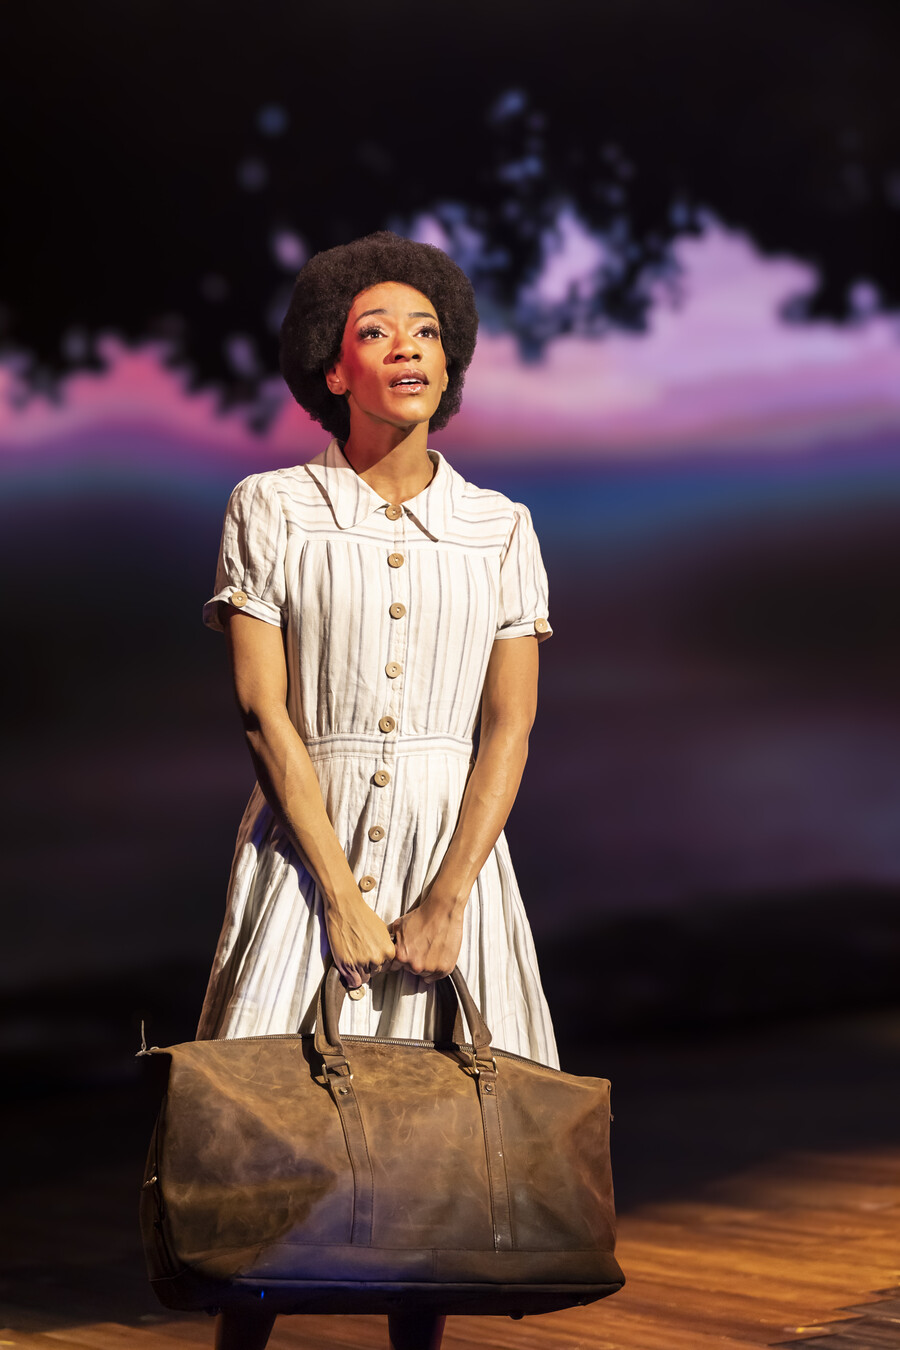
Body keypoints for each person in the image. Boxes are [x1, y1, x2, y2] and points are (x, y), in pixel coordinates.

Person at [199, 231, 558, 1350]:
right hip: (306, 855)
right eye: (376, 331)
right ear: (332, 366)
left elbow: (509, 726)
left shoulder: (499, 527)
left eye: (428, 332)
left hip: (454, 854)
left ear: (450, 365)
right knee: (263, 1147)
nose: (408, 348)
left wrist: (447, 897)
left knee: (438, 1154)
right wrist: (342, 894)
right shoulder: (271, 508)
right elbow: (264, 714)